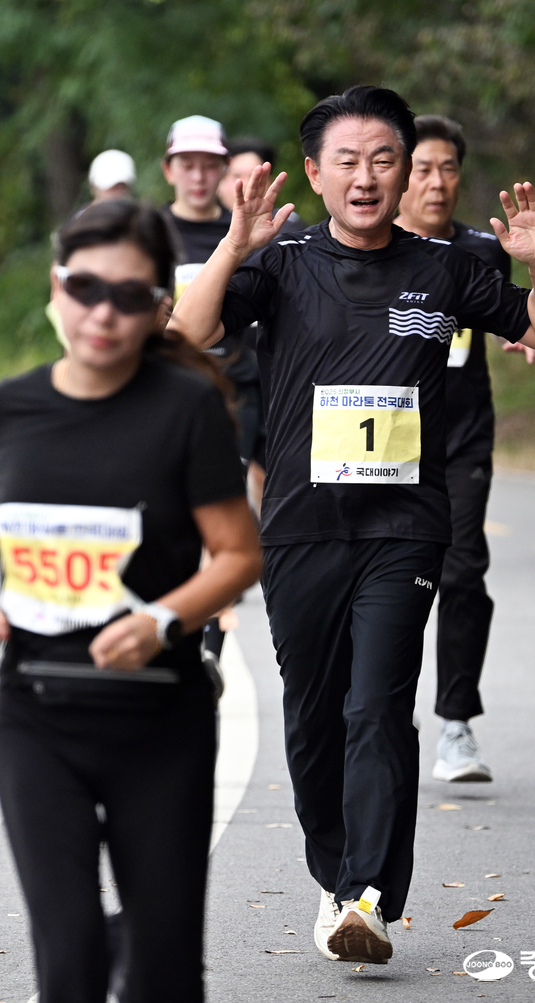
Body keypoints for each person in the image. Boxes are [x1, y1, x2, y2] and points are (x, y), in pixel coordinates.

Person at [171, 85, 535, 965]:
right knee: (314, 717)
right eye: (347, 162)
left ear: (406, 171)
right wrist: (237, 241)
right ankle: (336, 875)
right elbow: (187, 331)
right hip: (302, 526)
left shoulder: (448, 266)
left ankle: (368, 895)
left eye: (384, 160)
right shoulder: (282, 264)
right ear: (314, 173)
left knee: (377, 707)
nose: (367, 178)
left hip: (405, 526)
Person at [0, 199, 261, 1003]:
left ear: (158, 307)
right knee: (68, 957)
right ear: (57, 287)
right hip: (35, 716)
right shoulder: (11, 409)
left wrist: (159, 620)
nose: (103, 314)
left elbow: (239, 553)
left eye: (130, 296)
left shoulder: (183, 408)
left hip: (159, 720)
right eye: (86, 288)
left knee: (164, 969)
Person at [396, 115, 535, 783]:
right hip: (385, 443)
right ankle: (382, 707)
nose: (436, 181)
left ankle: (455, 724)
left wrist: (527, 332)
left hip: (461, 440)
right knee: (386, 581)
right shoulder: (366, 249)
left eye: (448, 168)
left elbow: (516, 312)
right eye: (423, 168)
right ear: (399, 176)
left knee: (461, 572)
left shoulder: (484, 250)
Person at [162, 116, 265, 678]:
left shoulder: (245, 232)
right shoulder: (149, 232)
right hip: (161, 397)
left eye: (209, 165)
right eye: (187, 164)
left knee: (221, 521)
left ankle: (208, 652)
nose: (198, 176)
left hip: (232, 394)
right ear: (169, 169)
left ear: (224, 171)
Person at [219, 135, 303, 232]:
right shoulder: (207, 229)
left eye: (255, 176)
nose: (246, 184)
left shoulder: (291, 231)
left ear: (270, 182)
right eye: (237, 176)